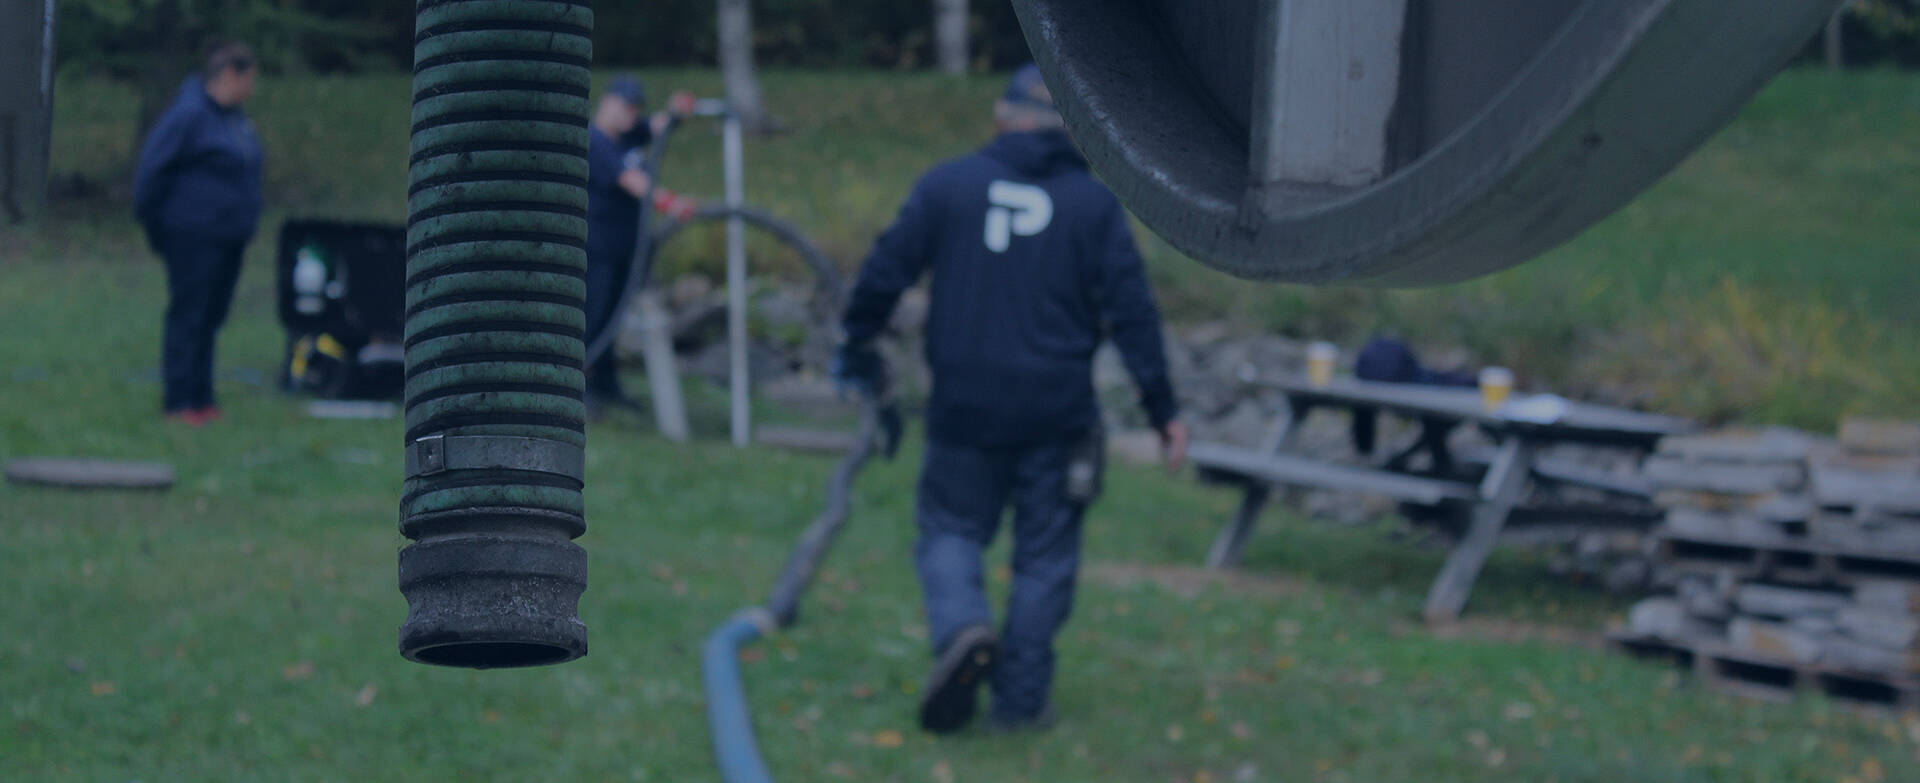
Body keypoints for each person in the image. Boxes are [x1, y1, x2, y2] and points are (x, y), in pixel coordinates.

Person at [833, 64, 1187, 734]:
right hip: (1058, 411)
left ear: (1002, 118)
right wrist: (1164, 409)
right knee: (1045, 555)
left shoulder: (948, 186)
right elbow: (1133, 314)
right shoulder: (1093, 204)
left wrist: (856, 343)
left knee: (949, 528)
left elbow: (883, 272)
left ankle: (965, 628)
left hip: (965, 403)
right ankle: (1020, 705)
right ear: (1073, 130)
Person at [133, 42, 262, 425]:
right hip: (192, 235)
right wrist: (157, 227)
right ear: (229, 75)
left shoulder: (235, 119)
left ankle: (202, 398)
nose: (250, 89)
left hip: (229, 237)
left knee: (211, 317)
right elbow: (150, 173)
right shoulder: (188, 115)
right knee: (188, 315)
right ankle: (178, 402)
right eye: (249, 80)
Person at [584, 76, 692, 415]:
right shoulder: (595, 140)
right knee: (594, 318)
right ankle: (579, 389)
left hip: (625, 250)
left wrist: (677, 112)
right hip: (598, 249)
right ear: (608, 102)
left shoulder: (627, 136)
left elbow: (657, 126)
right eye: (626, 106)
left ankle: (607, 384)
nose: (632, 113)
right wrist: (670, 203)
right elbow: (632, 181)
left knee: (614, 319)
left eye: (636, 107)